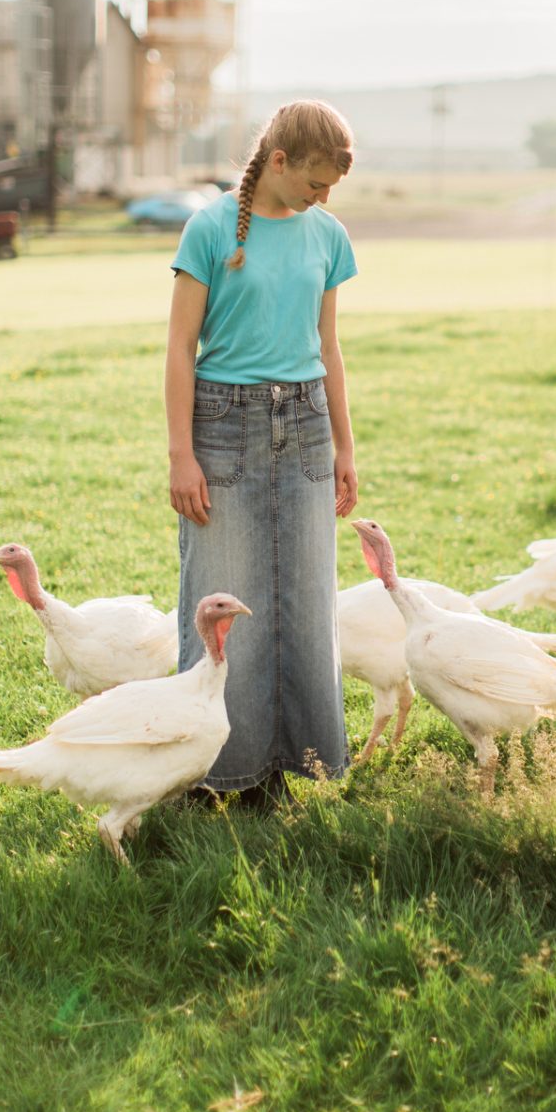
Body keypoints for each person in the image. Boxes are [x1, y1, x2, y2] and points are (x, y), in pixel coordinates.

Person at [165, 99, 358, 810]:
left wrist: (344, 447)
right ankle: (214, 771)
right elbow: (181, 349)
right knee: (223, 593)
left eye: (332, 187)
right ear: (278, 162)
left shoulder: (328, 235)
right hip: (225, 427)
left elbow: (328, 347)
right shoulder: (212, 228)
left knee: (304, 600)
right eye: (315, 182)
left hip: (305, 423)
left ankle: (280, 769)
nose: (323, 197)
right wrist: (181, 454)